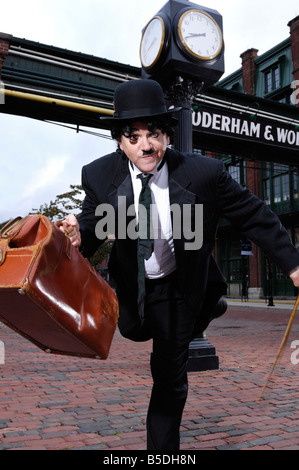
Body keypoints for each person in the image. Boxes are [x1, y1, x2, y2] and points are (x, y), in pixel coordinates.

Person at [61, 79, 299, 450]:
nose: (146, 145)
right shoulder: (99, 174)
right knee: (134, 331)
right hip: (136, 286)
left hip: (178, 285)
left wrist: (294, 265)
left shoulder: (205, 174)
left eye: (153, 133)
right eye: (134, 136)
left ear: (167, 135)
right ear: (120, 141)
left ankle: (162, 452)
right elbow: (94, 225)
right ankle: (210, 305)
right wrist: (78, 234)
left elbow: (255, 215)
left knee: (168, 375)